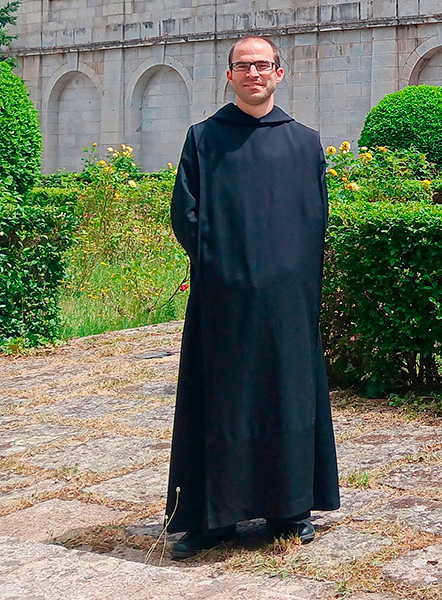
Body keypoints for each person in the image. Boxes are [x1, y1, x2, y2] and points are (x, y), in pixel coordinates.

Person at [165, 35, 340, 560]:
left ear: (279, 73)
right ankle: (213, 518)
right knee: (220, 401)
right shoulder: (204, 139)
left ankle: (289, 509)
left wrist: (289, 278)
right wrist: (225, 269)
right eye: (243, 66)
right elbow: (186, 213)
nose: (253, 74)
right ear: (230, 75)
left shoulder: (304, 142)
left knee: (287, 396)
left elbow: (314, 220)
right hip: (223, 297)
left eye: (262, 65)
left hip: (287, 302)